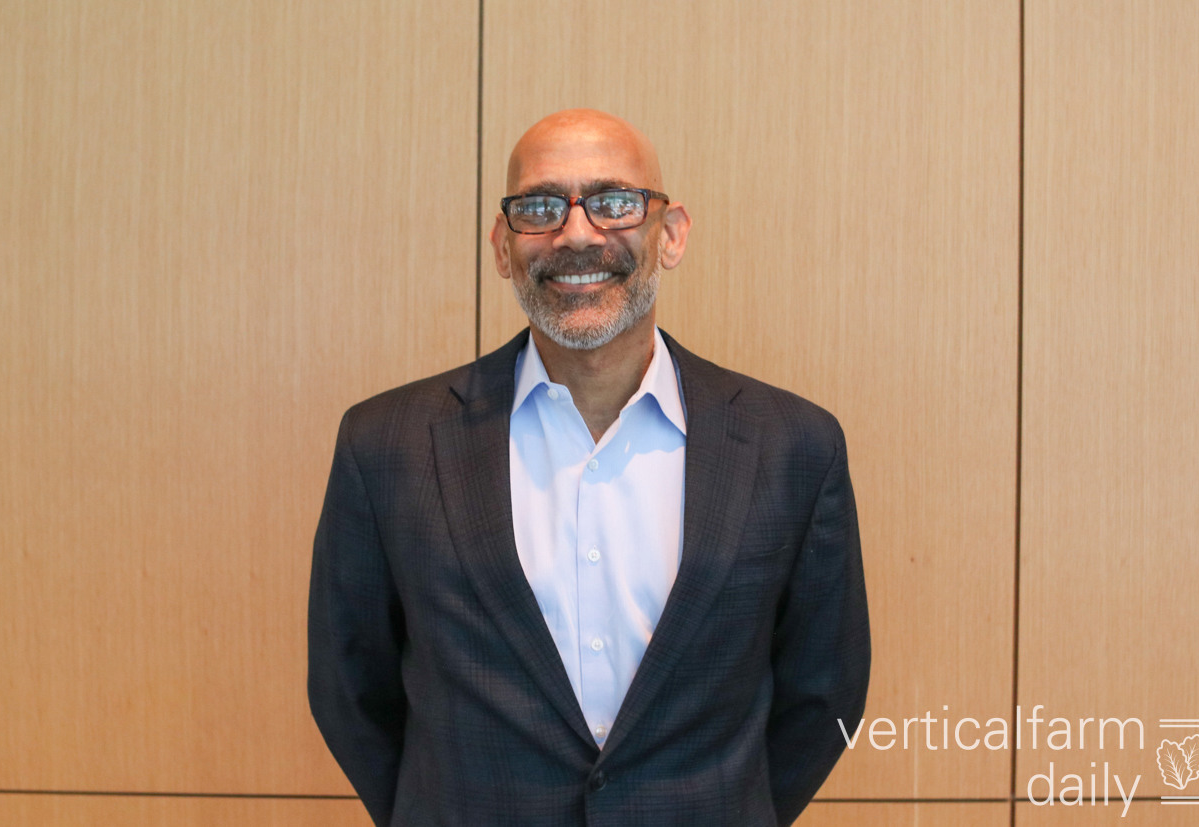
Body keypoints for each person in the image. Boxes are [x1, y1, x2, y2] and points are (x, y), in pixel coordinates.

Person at [308, 109, 870, 827]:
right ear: (502, 246)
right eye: (540, 207)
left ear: (671, 234)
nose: (577, 234)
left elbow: (824, 695)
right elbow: (350, 689)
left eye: (614, 201)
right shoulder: (387, 446)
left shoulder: (793, 447)